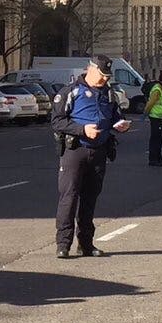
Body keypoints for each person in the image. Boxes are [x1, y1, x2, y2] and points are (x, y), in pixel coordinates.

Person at [50, 56, 131, 259]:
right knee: (69, 198)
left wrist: (121, 124)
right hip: (75, 150)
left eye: (107, 77)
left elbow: (115, 116)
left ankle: (85, 244)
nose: (104, 80)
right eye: (102, 75)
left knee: (90, 199)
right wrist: (81, 129)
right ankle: (63, 244)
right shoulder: (71, 91)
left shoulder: (109, 93)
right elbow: (57, 121)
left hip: (99, 150)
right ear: (90, 69)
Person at [145, 72, 162, 166]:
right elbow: (151, 103)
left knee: (159, 139)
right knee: (155, 138)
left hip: (160, 117)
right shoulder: (157, 89)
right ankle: (153, 159)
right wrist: (145, 113)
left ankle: (158, 158)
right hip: (155, 117)